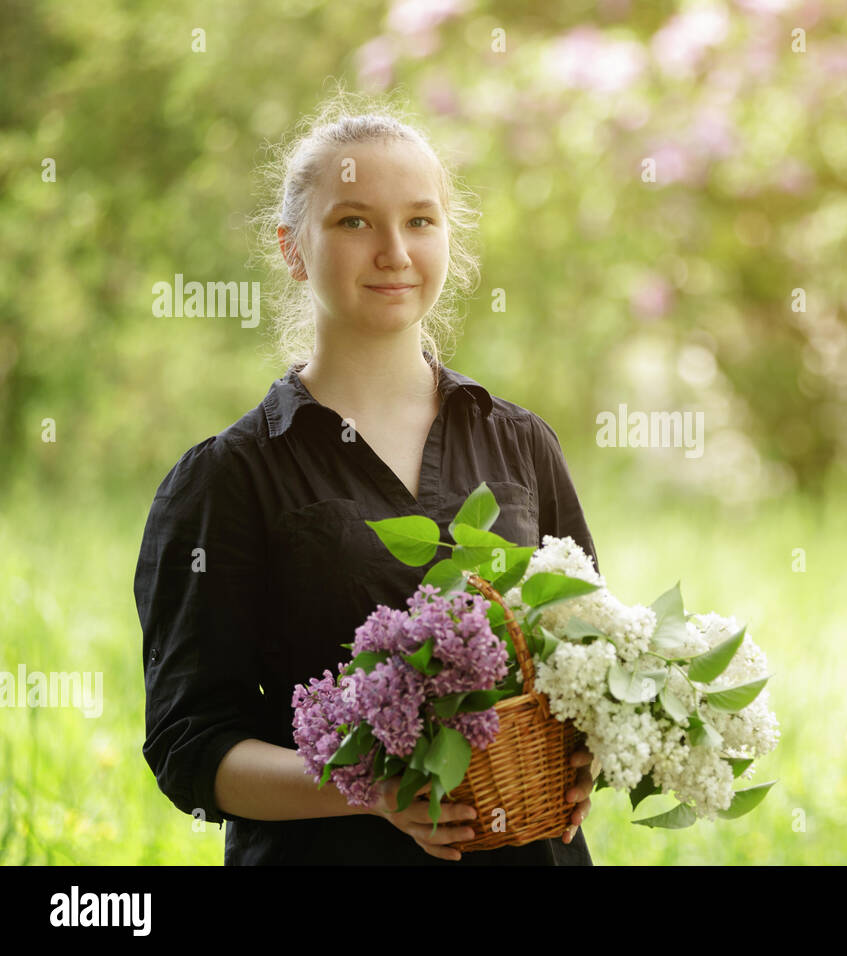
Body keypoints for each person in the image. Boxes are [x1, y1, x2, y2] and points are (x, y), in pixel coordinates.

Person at [134, 95, 599, 865]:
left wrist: (588, 751)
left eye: (420, 221)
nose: (394, 251)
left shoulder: (519, 443)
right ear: (292, 249)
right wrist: (371, 789)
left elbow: (587, 663)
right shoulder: (228, 478)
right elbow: (192, 746)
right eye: (354, 221)